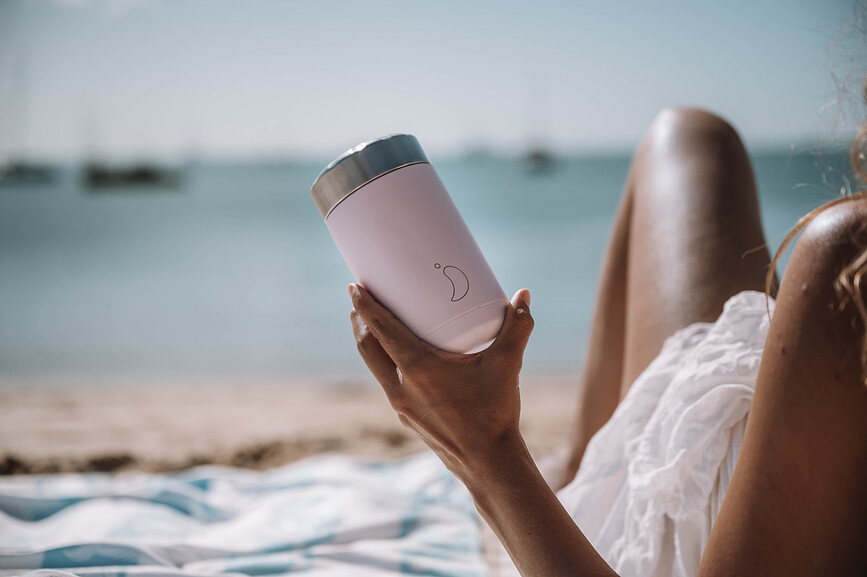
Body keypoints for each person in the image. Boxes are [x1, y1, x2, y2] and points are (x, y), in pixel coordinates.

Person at [347, 105, 867, 576]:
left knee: (693, 141)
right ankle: (580, 465)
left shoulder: (849, 259)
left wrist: (485, 449)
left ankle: (578, 485)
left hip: (691, 536)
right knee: (691, 133)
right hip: (772, 431)